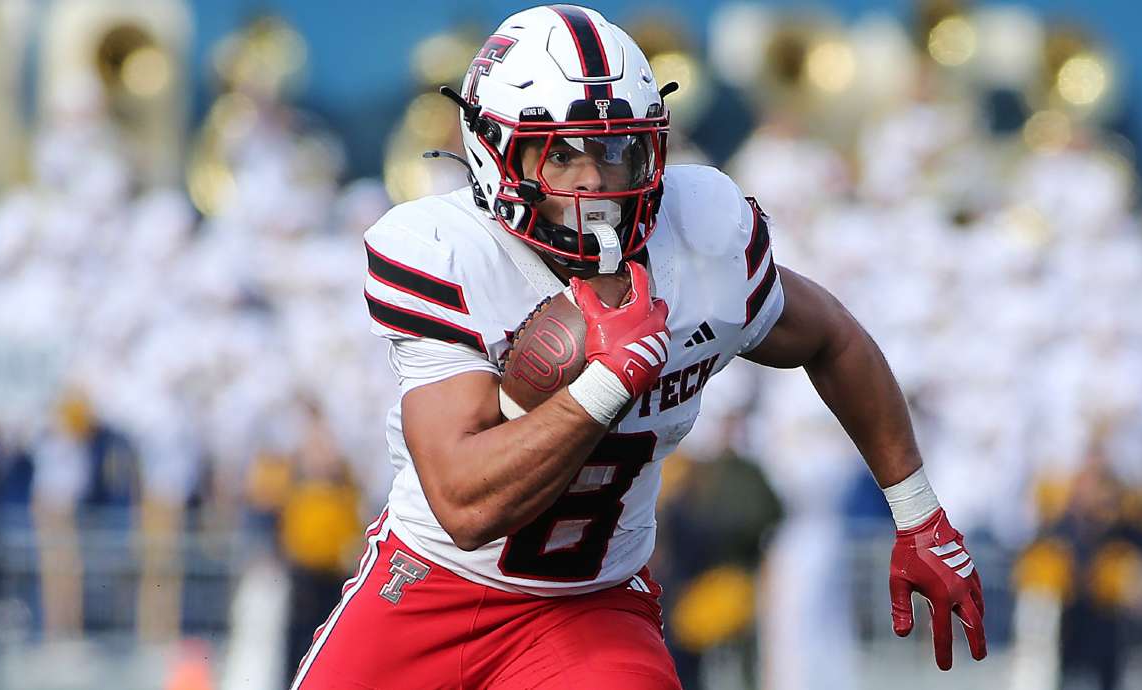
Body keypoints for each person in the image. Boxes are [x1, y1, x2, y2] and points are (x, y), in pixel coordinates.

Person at [292, 6, 986, 689]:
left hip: (588, 609)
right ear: (493, 150)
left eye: (619, 148)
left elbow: (832, 337)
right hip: (434, 588)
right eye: (562, 153)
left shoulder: (702, 237)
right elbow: (465, 508)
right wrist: (608, 379)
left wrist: (918, 512)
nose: (595, 181)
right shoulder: (446, 250)